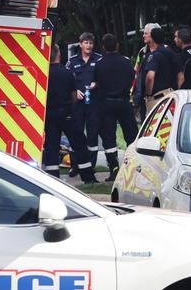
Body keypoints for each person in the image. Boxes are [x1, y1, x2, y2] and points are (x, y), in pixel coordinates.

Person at [42, 44, 97, 183]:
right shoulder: (66, 73)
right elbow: (73, 94)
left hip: (49, 115)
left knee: (51, 146)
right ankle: (88, 177)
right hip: (66, 114)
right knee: (79, 143)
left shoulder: (44, 73)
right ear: (59, 55)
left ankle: (53, 178)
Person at [95, 33, 139, 182]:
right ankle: (133, 167)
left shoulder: (99, 64)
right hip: (123, 102)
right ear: (117, 46)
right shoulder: (126, 62)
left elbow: (97, 82)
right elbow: (132, 79)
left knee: (109, 137)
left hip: (106, 103)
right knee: (131, 135)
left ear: (103, 48)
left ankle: (114, 169)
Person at [66, 32, 103, 169]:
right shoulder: (72, 61)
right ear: (80, 44)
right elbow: (66, 80)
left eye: (91, 43)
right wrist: (75, 91)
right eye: (86, 43)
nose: (88, 45)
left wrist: (97, 83)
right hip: (78, 105)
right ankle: (74, 166)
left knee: (93, 135)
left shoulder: (99, 59)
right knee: (76, 134)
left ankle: (90, 167)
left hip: (94, 104)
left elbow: (105, 78)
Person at [132, 23, 161, 122]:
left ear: (153, 34)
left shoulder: (165, 50)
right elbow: (136, 70)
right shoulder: (142, 52)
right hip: (144, 97)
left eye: (146, 33)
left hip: (160, 95)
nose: (143, 35)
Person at [144, 27, 176, 113]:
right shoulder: (172, 53)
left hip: (157, 98)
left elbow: (150, 77)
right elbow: (180, 76)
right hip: (173, 96)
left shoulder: (154, 55)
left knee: (154, 124)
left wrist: (148, 95)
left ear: (153, 39)